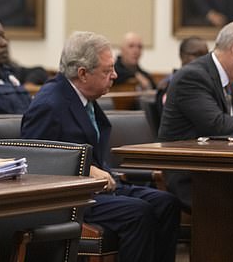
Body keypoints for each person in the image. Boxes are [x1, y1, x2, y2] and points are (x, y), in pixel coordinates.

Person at [21, 31, 180, 262]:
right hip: (73, 198)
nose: (115, 75)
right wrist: (85, 170)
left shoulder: (86, 98)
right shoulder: (49, 104)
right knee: (139, 212)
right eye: (107, 70)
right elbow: (35, 163)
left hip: (100, 188)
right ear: (83, 74)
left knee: (167, 203)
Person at [158, 21, 233, 209]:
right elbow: (217, 125)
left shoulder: (230, 83)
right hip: (191, 176)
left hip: (218, 171)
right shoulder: (192, 76)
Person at [156, 36, 209, 110]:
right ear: (182, 55)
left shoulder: (207, 82)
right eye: (197, 54)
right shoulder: (169, 84)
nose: (203, 59)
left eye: (206, 55)